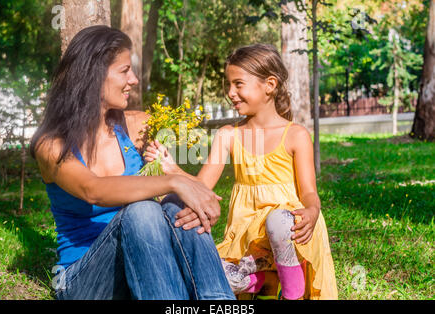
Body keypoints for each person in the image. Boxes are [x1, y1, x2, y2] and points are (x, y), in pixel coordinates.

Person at [29, 25, 235, 300]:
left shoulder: (136, 126)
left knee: (176, 202)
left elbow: (182, 182)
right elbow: (93, 190)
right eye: (125, 70)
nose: (135, 80)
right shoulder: (51, 144)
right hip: (83, 281)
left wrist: (198, 197)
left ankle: (219, 301)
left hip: (142, 268)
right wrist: (173, 181)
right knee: (142, 210)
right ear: (94, 74)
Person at [144, 44, 338, 300]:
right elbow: (202, 186)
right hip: (250, 242)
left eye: (238, 84)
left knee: (277, 221)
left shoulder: (295, 135)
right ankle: (264, 280)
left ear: (269, 85)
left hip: (289, 234)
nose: (230, 93)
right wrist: (171, 168)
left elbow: (309, 193)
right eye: (229, 85)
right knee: (211, 275)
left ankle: (292, 289)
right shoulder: (228, 135)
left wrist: (313, 211)